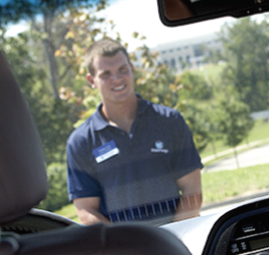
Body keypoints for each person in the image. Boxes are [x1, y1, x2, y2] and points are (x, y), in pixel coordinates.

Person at [66, 39, 204, 224]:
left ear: (132, 69)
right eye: (106, 74)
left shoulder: (170, 121)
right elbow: (86, 212)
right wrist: (128, 248)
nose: (117, 79)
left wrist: (174, 240)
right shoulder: (81, 142)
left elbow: (192, 191)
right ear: (92, 81)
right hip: (124, 250)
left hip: (176, 244)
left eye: (122, 69)